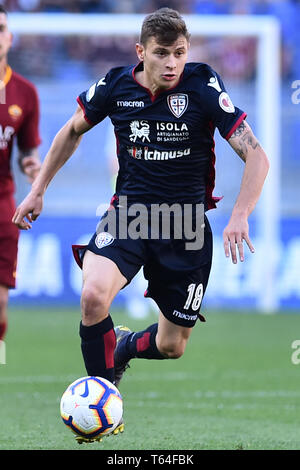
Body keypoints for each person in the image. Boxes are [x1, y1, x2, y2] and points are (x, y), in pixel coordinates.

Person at [13, 8, 269, 440]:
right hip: (129, 216)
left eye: (180, 53)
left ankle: (125, 345)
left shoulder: (202, 85)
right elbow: (72, 130)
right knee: (94, 297)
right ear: (141, 52)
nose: (172, 64)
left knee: (172, 346)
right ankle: (104, 410)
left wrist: (240, 213)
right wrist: (38, 188)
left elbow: (256, 154)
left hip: (185, 227)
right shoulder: (115, 86)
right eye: (162, 54)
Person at [0, 5, 41, 342]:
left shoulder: (25, 93)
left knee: (0, 303)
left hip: (3, 204)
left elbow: (27, 150)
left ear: (9, 37)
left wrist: (33, 167)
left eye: (0, 28)